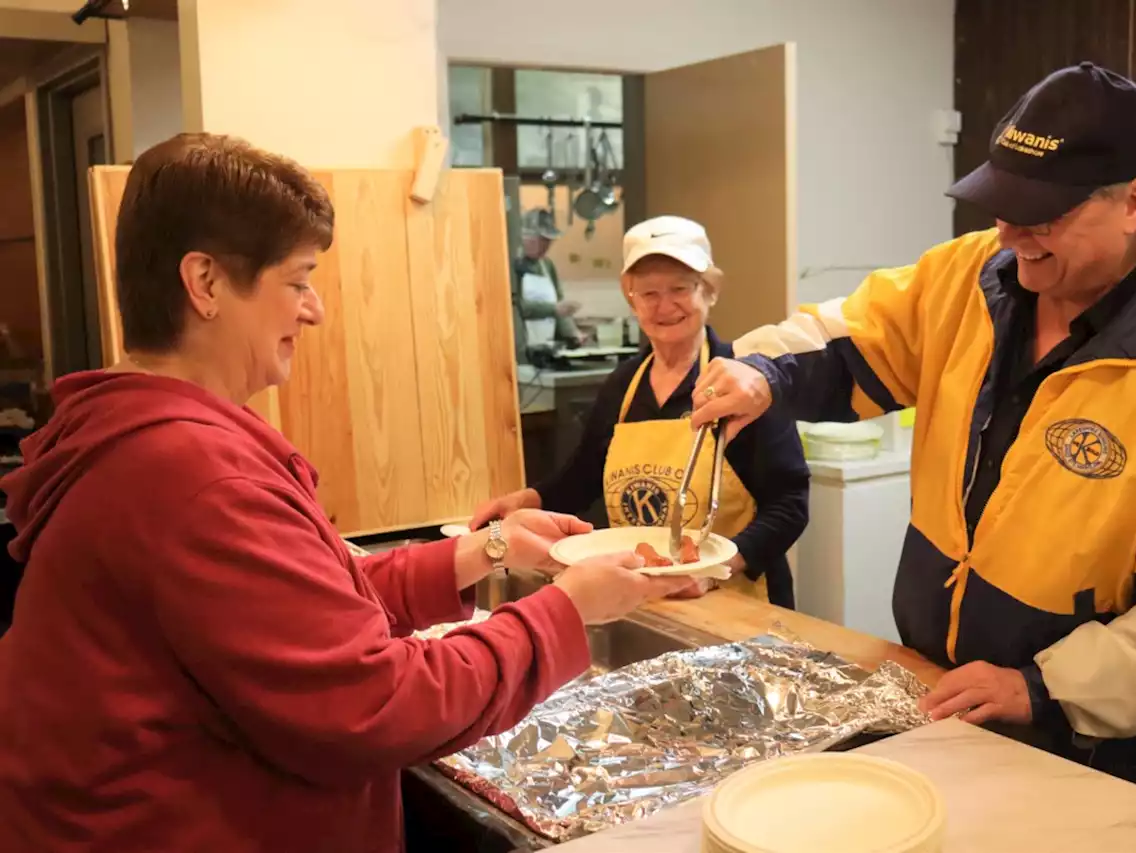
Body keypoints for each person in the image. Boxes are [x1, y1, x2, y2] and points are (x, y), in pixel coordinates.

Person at [0, 133, 689, 851]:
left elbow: (311, 595)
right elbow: (376, 704)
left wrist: (486, 549)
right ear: (204, 283)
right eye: (298, 280)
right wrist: (567, 613)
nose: (316, 309)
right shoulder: (193, 476)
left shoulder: (152, 434)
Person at [690, 62, 1136, 784]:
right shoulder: (972, 275)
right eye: (1000, 206)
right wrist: (763, 371)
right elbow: (852, 337)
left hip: (1082, 732)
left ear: (1134, 202)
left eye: (1042, 216)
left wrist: (1039, 687)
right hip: (938, 683)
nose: (1010, 233)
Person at [472, 216, 809, 608]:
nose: (664, 306)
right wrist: (526, 499)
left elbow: (790, 504)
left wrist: (715, 569)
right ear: (630, 297)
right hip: (641, 596)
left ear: (710, 291)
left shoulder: (745, 380)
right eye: (648, 293)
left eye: (680, 289)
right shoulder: (623, 386)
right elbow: (583, 478)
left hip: (738, 601)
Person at [513, 207, 582, 362]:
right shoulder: (514, 265)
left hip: (546, 349)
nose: (546, 247)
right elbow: (517, 307)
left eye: (549, 242)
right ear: (525, 237)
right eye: (542, 241)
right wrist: (553, 309)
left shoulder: (547, 265)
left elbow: (559, 303)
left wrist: (573, 333)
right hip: (521, 351)